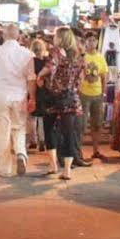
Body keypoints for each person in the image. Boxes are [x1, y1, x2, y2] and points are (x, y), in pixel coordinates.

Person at [0, 24, 35, 177]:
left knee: (2, 132)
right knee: (19, 128)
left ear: (3, 36)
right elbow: (31, 78)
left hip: (0, 96)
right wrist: (32, 97)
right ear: (18, 36)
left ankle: (5, 170)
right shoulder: (27, 53)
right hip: (19, 96)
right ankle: (21, 153)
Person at [39, 28, 85, 180]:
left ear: (59, 38)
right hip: (70, 98)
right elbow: (80, 79)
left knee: (49, 129)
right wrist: (72, 89)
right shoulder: (79, 55)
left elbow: (50, 66)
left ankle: (53, 166)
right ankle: (67, 171)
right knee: (68, 133)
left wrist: (40, 76)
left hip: (53, 97)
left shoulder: (56, 52)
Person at [79, 33, 109, 164]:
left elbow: (104, 75)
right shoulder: (82, 57)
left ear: (97, 42)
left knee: (97, 123)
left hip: (97, 94)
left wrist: (104, 92)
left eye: (94, 40)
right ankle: (78, 151)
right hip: (83, 94)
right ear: (86, 42)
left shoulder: (100, 57)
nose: (92, 43)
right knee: (82, 124)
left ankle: (96, 150)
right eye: (89, 40)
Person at [29, 39, 50, 152]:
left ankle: (33, 140)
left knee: (32, 116)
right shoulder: (47, 61)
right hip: (44, 90)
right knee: (42, 116)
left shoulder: (31, 61)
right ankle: (42, 139)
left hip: (33, 89)